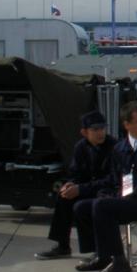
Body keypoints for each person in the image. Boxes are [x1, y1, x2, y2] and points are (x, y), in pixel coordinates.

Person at [73, 102, 137, 272]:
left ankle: (119, 262)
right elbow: (114, 178)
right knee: (82, 207)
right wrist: (107, 193)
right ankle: (102, 255)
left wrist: (128, 195)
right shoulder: (120, 148)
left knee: (102, 207)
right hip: (128, 200)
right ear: (127, 124)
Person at [34, 111, 117, 260]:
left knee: (90, 205)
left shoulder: (114, 147)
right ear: (84, 132)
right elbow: (75, 172)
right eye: (95, 129)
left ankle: (97, 250)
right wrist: (70, 184)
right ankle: (62, 245)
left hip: (106, 190)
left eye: (102, 128)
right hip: (87, 188)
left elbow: (112, 179)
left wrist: (80, 189)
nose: (100, 133)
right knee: (64, 197)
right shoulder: (81, 147)